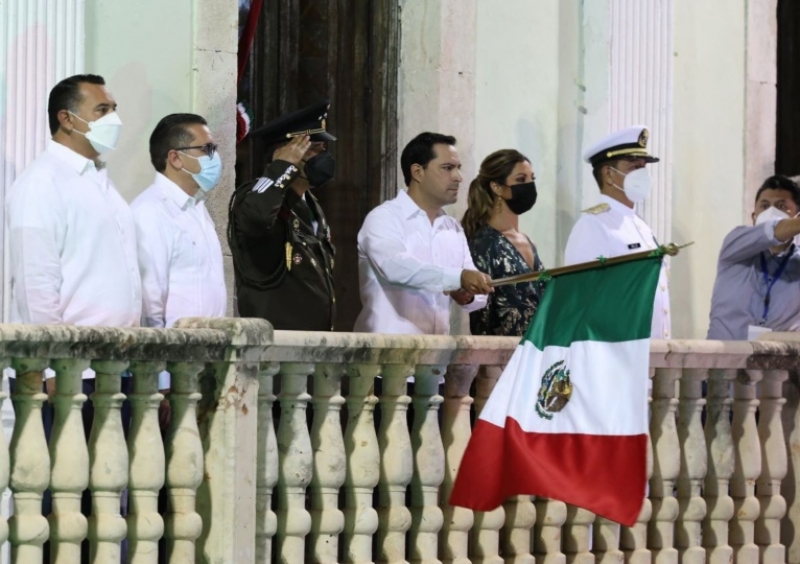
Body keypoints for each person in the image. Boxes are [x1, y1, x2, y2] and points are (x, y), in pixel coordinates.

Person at [6, 72, 139, 563]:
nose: (114, 119)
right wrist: (55, 368)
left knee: (108, 511)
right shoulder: (42, 183)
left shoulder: (102, 184)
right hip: (72, 378)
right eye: (102, 110)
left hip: (115, 375)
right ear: (67, 119)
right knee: (63, 513)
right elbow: (38, 285)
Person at [132, 113, 227, 417]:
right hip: (174, 371)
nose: (215, 158)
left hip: (206, 362)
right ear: (175, 157)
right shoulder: (150, 212)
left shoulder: (197, 208)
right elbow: (149, 305)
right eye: (207, 149)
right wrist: (159, 382)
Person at [354, 132, 492, 335]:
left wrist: (469, 295)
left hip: (435, 357)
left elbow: (472, 286)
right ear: (418, 172)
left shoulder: (452, 227)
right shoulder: (384, 217)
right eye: (447, 168)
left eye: (458, 169)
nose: (458, 177)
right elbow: (396, 267)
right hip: (385, 356)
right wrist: (458, 277)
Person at [228, 100, 337, 330]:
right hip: (275, 349)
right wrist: (281, 167)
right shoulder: (256, 196)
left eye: (323, 149)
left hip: (312, 347)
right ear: (285, 152)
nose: (322, 156)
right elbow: (256, 217)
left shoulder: (311, 204)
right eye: (313, 148)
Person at [564, 125, 671, 339]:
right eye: (633, 167)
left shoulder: (641, 226)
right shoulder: (592, 226)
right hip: (617, 354)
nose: (642, 174)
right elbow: (582, 301)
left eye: (643, 167)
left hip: (651, 356)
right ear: (609, 174)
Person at [462, 149, 545, 336]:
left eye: (532, 178)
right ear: (497, 187)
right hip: (502, 358)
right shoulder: (484, 245)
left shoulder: (528, 242)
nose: (529, 186)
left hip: (536, 350)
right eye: (521, 180)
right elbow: (482, 316)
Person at [707, 175, 800, 340]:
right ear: (754, 216)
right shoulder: (735, 244)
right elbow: (773, 230)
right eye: (764, 206)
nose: (771, 212)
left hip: (777, 362)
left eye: (781, 206)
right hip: (724, 360)